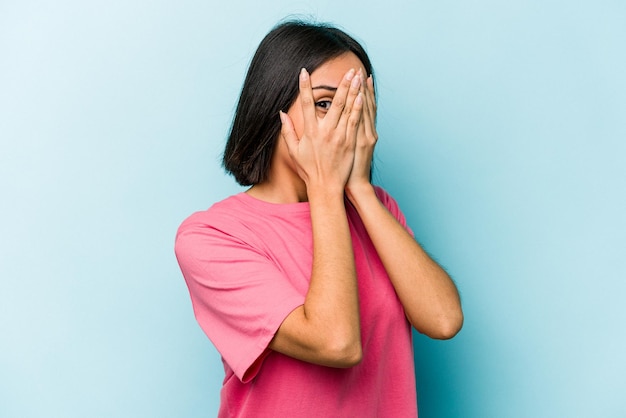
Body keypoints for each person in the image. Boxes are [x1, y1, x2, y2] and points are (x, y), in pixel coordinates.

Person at [175, 19, 463, 417]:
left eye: (356, 105)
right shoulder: (211, 237)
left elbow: (444, 320)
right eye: (326, 103)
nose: (345, 124)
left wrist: (360, 191)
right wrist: (326, 188)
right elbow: (336, 343)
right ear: (272, 109)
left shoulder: (376, 208)